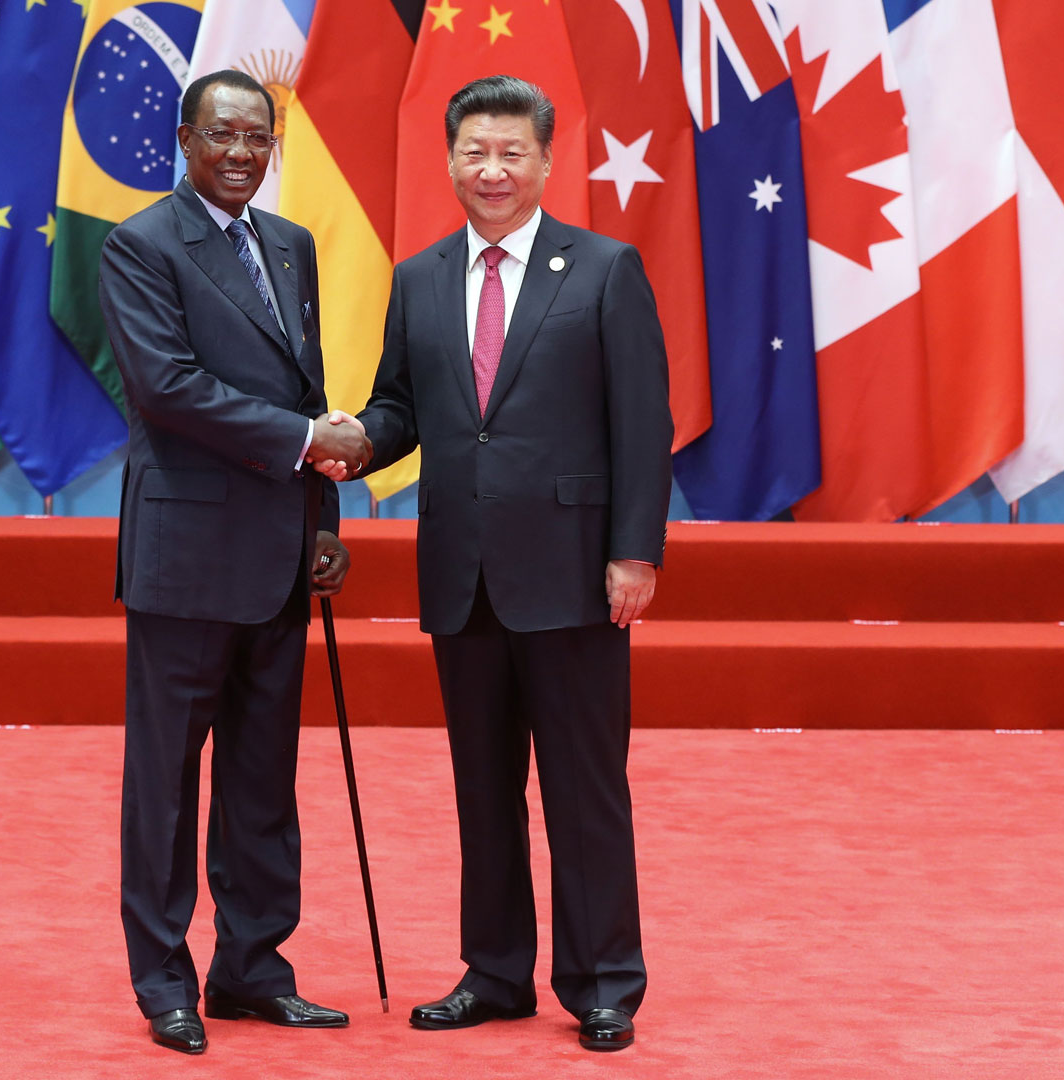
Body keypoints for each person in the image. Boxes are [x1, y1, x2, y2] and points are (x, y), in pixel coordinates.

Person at [332, 74, 672, 1053]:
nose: (492, 169)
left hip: (574, 575)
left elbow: (643, 425)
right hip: (462, 576)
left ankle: (603, 983)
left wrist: (634, 553)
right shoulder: (420, 277)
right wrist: (356, 441)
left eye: (511, 152)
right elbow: (402, 407)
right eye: (474, 152)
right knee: (482, 790)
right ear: (449, 159)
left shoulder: (603, 270)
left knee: (583, 791)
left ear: (546, 160)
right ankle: (493, 973)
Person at [98, 68, 374, 1056]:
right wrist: (307, 442)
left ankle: (253, 968)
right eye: (223, 135)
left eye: (258, 137)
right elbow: (167, 388)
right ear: (185, 139)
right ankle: (164, 981)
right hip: (185, 557)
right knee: (165, 784)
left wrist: (323, 520)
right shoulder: (140, 244)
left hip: (280, 555)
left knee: (264, 781)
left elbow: (307, 385)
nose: (243, 153)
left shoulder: (290, 244)